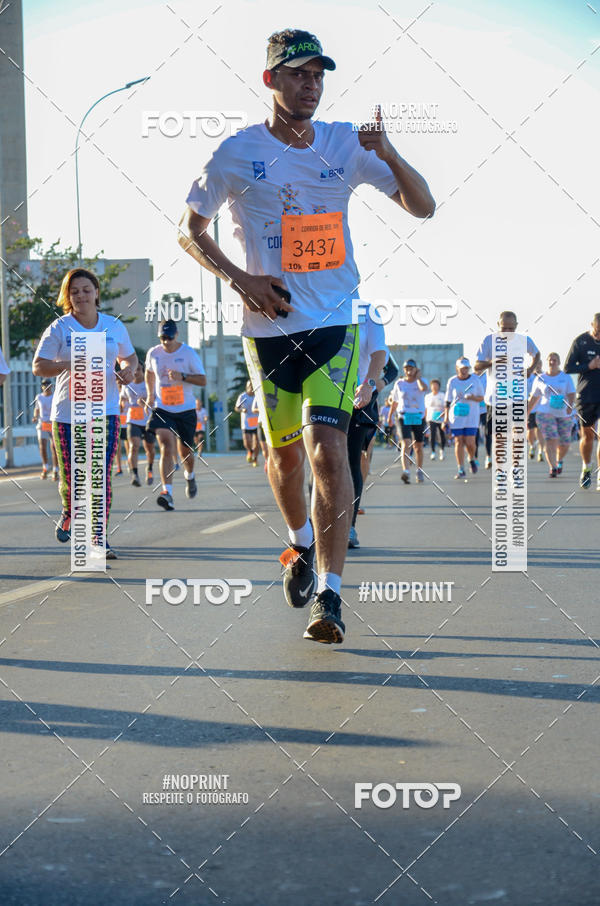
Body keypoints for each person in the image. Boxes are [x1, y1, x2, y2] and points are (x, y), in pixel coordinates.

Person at [178, 28, 435, 643]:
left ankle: (330, 595)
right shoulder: (236, 153)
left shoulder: (348, 143)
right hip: (266, 329)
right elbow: (190, 229)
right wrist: (243, 281)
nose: (311, 85)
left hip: (335, 325)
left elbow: (422, 207)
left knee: (327, 448)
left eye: (318, 75)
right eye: (298, 74)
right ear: (271, 80)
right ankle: (296, 544)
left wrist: (391, 153)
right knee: (285, 457)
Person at [32, 268, 137, 557]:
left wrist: (129, 371)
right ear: (68, 296)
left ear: (97, 293)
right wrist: (68, 365)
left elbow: (130, 357)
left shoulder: (113, 326)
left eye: (86, 290)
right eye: (74, 291)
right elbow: (38, 366)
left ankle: (98, 539)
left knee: (100, 476)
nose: (81, 295)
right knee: (75, 478)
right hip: (68, 413)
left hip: (107, 410)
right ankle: (69, 511)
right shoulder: (60, 328)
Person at [145, 319, 206, 510]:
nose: (166, 341)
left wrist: (183, 377)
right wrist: (150, 393)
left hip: (186, 409)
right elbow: (149, 372)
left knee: (185, 451)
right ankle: (167, 492)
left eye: (169, 337)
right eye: (162, 337)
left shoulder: (188, 353)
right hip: (163, 408)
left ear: (176, 335)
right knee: (165, 444)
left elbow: (203, 380)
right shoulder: (153, 353)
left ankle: (190, 476)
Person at [475, 311, 540, 469]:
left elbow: (537, 354)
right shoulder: (489, 341)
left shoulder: (524, 340)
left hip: (517, 395)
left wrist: (531, 369)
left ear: (516, 326)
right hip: (496, 397)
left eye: (511, 328)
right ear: (498, 325)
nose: (508, 332)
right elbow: (477, 366)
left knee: (517, 434)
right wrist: (493, 362)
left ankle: (515, 468)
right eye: (504, 328)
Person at [347, 312, 388, 549]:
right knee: (322, 462)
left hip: (360, 402)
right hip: (325, 397)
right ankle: (319, 524)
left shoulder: (367, 314)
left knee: (353, 461)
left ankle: (349, 525)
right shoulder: (319, 303)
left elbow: (388, 366)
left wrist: (371, 385)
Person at [564, 313, 600, 489]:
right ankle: (586, 468)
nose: (599, 335)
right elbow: (568, 367)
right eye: (597, 331)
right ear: (591, 326)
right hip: (586, 395)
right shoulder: (581, 341)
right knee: (588, 436)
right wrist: (589, 366)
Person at [527, 352, 575, 478]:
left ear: (559, 362)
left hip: (564, 413)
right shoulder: (540, 378)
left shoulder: (566, 377)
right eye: (550, 360)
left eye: (555, 360)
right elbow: (534, 397)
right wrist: (526, 413)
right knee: (551, 439)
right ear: (547, 362)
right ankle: (552, 467)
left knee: (565, 443)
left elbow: (571, 393)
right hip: (545, 412)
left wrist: (570, 406)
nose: (552, 362)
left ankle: (559, 460)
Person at [388, 360, 429, 484]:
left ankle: (419, 470)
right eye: (406, 368)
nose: (408, 370)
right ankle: (406, 471)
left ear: (416, 369)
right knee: (405, 443)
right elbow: (395, 401)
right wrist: (389, 416)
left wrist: (418, 378)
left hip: (418, 416)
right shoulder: (399, 383)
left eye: (411, 368)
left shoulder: (422, 381)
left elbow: (424, 388)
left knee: (418, 446)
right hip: (403, 416)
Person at [444, 358, 484, 479]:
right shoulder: (452, 381)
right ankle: (461, 468)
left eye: (466, 368)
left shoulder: (475, 380)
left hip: (471, 415)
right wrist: (445, 418)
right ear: (457, 369)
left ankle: (471, 458)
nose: (464, 371)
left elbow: (481, 397)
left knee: (470, 442)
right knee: (458, 441)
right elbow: (448, 401)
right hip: (457, 416)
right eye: (462, 368)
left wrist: (472, 398)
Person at [122, 363, 155, 487]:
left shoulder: (149, 385)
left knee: (150, 449)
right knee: (134, 446)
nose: (136, 372)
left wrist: (146, 403)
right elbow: (122, 398)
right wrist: (121, 404)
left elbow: (156, 401)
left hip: (147, 420)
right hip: (133, 420)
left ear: (143, 370)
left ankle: (150, 469)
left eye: (139, 370)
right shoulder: (127, 385)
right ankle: (134, 474)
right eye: (135, 370)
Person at [33, 379, 58, 480]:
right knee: (42, 446)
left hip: (52, 423)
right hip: (42, 424)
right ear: (42, 386)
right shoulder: (39, 397)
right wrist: (35, 416)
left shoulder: (54, 396)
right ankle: (45, 467)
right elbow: (37, 409)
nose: (46, 386)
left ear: (51, 386)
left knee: (54, 448)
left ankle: (55, 470)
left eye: (48, 384)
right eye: (44, 384)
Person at [235, 380, 260, 466]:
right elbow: (236, 408)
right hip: (246, 422)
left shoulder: (257, 396)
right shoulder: (242, 396)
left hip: (256, 421)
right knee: (246, 441)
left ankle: (255, 459)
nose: (251, 387)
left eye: (253, 385)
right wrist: (242, 410)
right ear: (246, 387)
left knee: (256, 441)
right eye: (249, 385)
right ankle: (250, 451)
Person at [424, 378, 446, 461]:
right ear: (431, 387)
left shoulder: (442, 395)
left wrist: (444, 415)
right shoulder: (427, 396)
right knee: (432, 435)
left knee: (441, 435)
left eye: (436, 385)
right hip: (431, 418)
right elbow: (426, 408)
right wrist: (425, 419)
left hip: (441, 418)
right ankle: (433, 452)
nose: (434, 387)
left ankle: (442, 451)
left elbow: (445, 407)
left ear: (439, 386)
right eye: (433, 385)